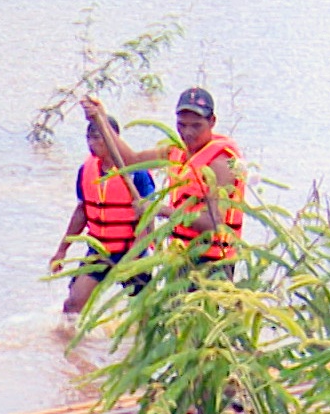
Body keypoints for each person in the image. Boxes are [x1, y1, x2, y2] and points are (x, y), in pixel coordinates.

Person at [84, 87, 245, 274]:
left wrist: (158, 210)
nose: (187, 133)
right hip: (182, 255)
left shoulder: (221, 163)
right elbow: (132, 160)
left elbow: (213, 223)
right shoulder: (176, 151)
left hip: (214, 262)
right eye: (182, 125)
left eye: (196, 126)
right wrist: (102, 121)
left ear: (212, 122)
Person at [49, 112, 156, 312]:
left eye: (97, 137)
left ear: (113, 138)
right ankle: (69, 333)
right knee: (73, 304)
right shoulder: (86, 170)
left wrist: (135, 255)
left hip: (131, 250)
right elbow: (81, 212)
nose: (91, 143)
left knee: (144, 311)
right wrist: (62, 250)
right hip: (100, 250)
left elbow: (148, 216)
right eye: (88, 137)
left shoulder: (136, 172)